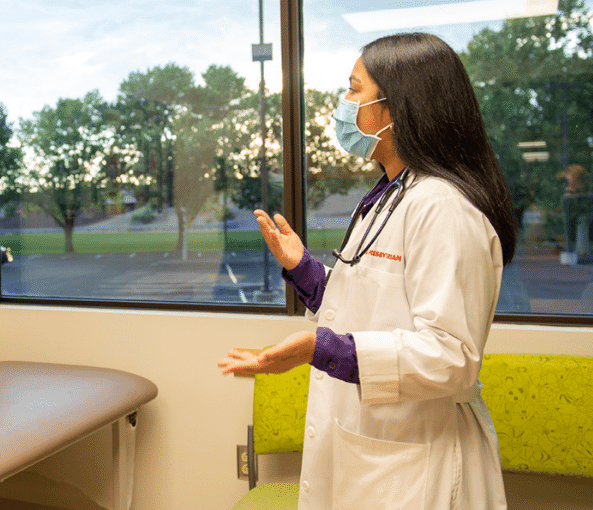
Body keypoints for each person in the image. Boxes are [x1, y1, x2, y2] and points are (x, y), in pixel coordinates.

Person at [219, 32, 516, 510]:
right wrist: (305, 271)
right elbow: (374, 302)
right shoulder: (390, 194)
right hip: (376, 449)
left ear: (396, 108)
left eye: (355, 89)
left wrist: (322, 348)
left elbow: (451, 357)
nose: (345, 104)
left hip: (419, 464)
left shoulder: (442, 207)